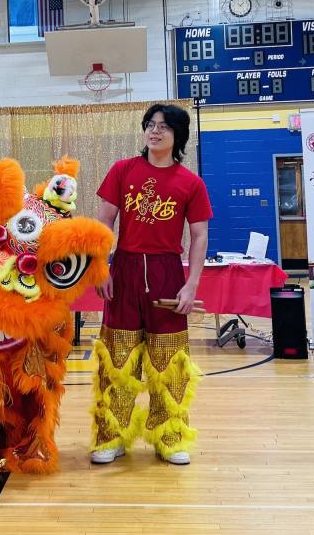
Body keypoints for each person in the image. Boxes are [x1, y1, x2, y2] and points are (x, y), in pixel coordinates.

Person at [91, 103, 212, 466]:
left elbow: (200, 234)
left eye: (163, 127)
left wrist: (191, 285)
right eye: (150, 125)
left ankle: (170, 436)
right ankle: (111, 435)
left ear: (178, 136)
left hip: (167, 272)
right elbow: (104, 223)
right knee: (118, 358)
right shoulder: (122, 170)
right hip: (125, 269)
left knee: (169, 361)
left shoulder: (191, 182)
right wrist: (101, 267)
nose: (155, 131)